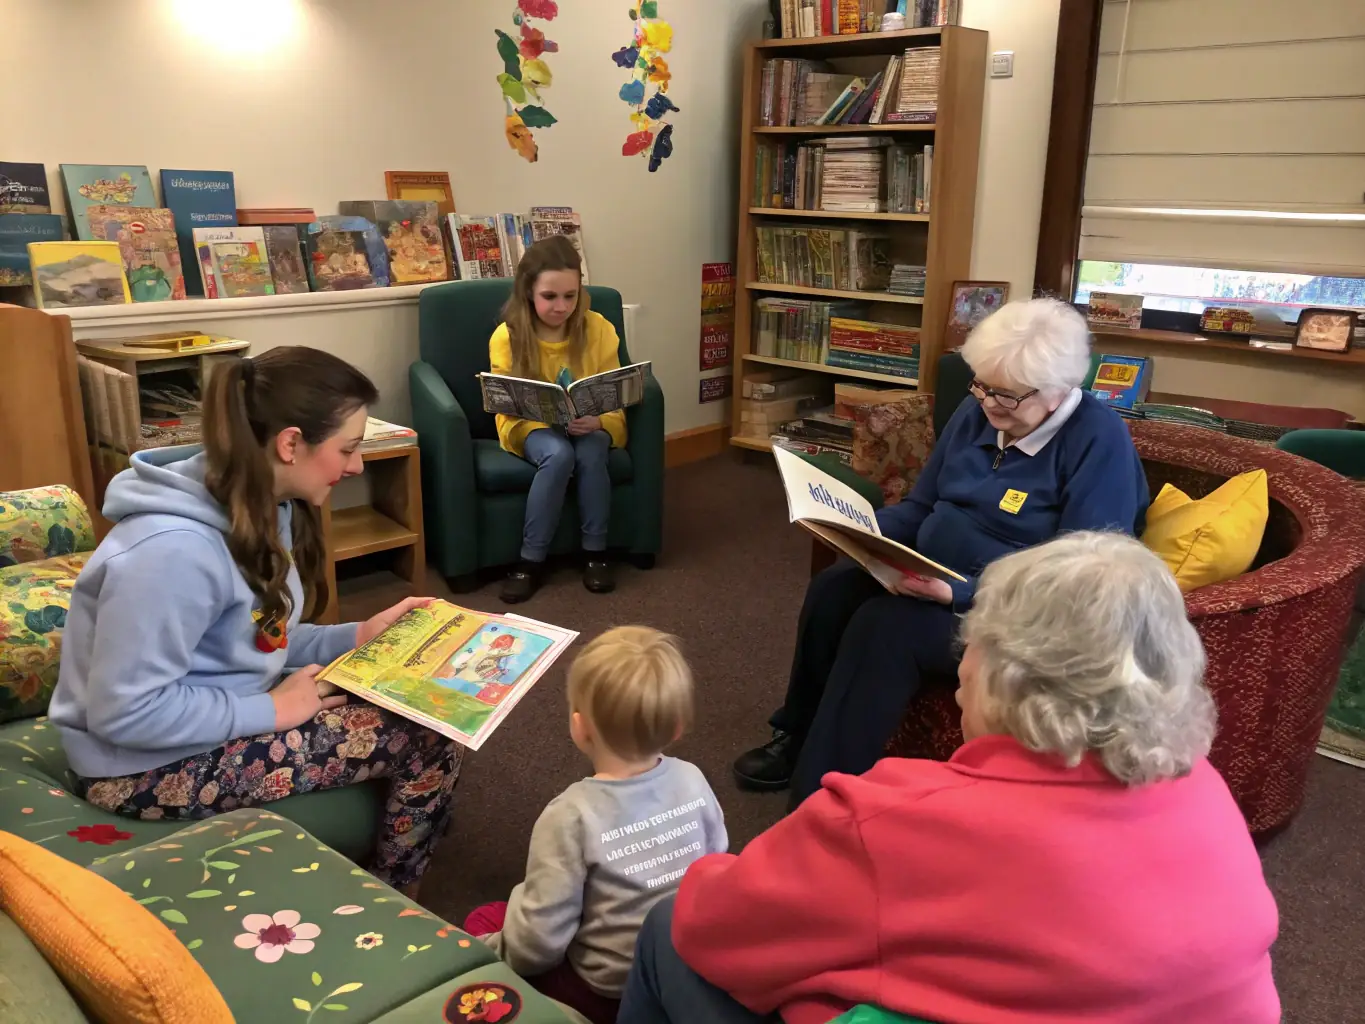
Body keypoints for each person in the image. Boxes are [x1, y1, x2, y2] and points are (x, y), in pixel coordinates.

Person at [619, 532, 1281, 1024]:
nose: (960, 667)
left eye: (974, 643)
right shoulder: (1204, 790)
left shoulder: (892, 818)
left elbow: (713, 927)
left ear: (1013, 678)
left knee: (667, 926)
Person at [49, 347, 462, 893]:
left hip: (207, 717)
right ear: (290, 443)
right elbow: (124, 715)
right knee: (432, 734)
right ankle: (391, 895)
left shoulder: (264, 506)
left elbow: (256, 642)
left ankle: (409, 820)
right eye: (348, 449)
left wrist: (358, 636)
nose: (357, 466)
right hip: (135, 769)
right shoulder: (169, 554)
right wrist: (271, 709)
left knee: (419, 691)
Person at [733, 297, 1151, 805]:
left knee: (886, 627)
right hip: (933, 572)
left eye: (1008, 397)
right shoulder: (982, 414)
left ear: (1061, 389)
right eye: (982, 386)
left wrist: (961, 593)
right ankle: (797, 736)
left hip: (1019, 613)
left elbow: (1083, 580)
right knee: (834, 588)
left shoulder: (1098, 441)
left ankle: (821, 799)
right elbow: (922, 504)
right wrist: (862, 530)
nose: (989, 405)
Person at [463, 626, 728, 1024]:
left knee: (484, 920)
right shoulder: (693, 778)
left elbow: (539, 944)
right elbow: (718, 866)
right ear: (676, 728)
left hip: (604, 989)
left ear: (579, 726)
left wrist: (492, 952)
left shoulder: (569, 815)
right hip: (682, 967)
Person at [490, 235, 626, 603]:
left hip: (588, 423)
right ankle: (529, 561)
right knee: (558, 454)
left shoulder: (599, 329)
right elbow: (505, 400)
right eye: (550, 296)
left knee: (593, 448)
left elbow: (611, 393)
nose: (561, 306)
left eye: (571, 295)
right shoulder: (509, 335)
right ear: (528, 290)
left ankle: (596, 553)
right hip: (528, 424)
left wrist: (598, 421)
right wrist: (543, 414)